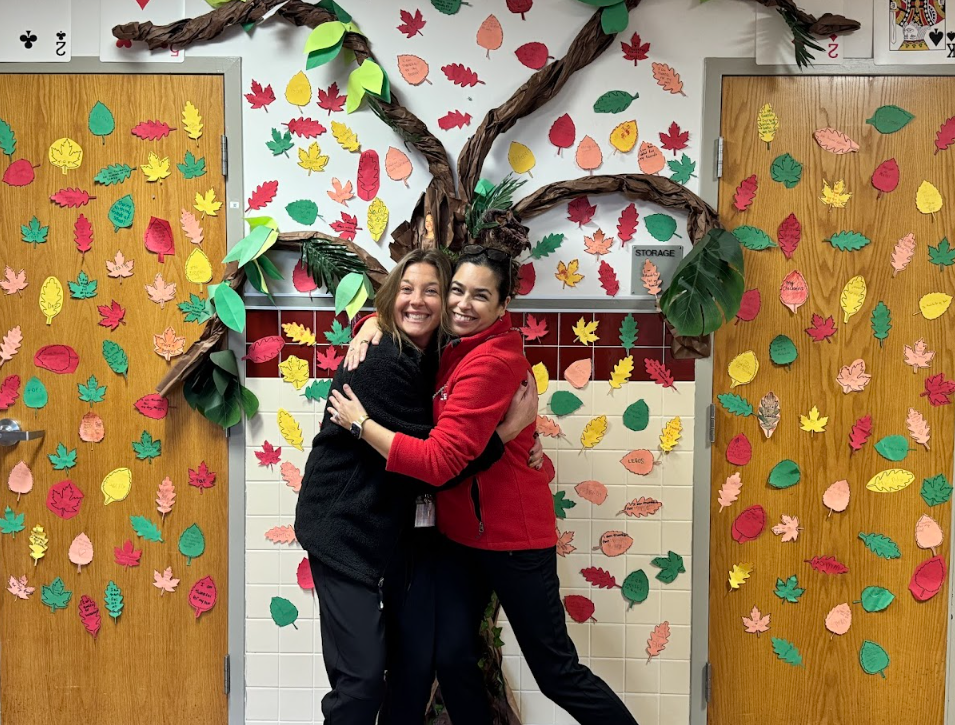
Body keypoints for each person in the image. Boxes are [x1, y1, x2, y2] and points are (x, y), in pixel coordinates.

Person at [329, 211, 640, 725]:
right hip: (462, 540)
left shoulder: (492, 361)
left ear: (503, 305)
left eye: (480, 296)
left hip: (514, 541)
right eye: (457, 291)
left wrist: (362, 424)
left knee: (556, 672)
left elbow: (440, 460)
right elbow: (408, 318)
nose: (461, 304)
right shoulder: (453, 348)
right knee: (450, 658)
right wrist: (368, 323)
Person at [294, 249, 539, 725]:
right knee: (362, 683)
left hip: (398, 534)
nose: (417, 301)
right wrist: (505, 434)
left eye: (432, 290)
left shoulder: (438, 359)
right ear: (391, 295)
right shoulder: (382, 360)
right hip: (344, 531)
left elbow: (462, 412)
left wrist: (529, 432)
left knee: (414, 665)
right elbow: (438, 459)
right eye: (406, 289)